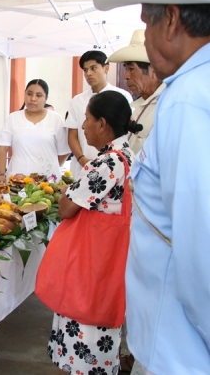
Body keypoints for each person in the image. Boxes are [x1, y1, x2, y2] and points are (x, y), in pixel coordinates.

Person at [94, 0, 210, 373]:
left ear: (172, 19)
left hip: (180, 351)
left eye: (147, 22)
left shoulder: (188, 99)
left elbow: (201, 249)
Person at [48, 91, 140, 375]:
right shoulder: (127, 154)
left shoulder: (104, 164)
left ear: (102, 124)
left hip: (91, 263)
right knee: (103, 334)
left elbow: (66, 209)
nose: (83, 126)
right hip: (110, 259)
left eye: (86, 119)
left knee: (83, 329)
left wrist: (66, 192)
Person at [65, 51, 133, 176]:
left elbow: (127, 133)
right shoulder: (77, 100)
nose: (88, 73)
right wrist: (82, 159)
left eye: (93, 68)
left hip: (113, 165)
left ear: (106, 68)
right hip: (82, 166)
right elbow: (72, 135)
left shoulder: (122, 96)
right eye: (85, 70)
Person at [0, 79, 70, 182]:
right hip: (17, 180)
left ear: (46, 98)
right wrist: (1, 174)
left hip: (48, 182)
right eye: (29, 94)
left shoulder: (56, 119)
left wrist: (49, 166)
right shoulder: (13, 118)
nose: (33, 99)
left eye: (39, 95)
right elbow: (2, 148)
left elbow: (64, 151)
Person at [108, 29, 165, 154]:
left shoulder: (166, 107)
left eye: (131, 69)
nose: (126, 76)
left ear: (153, 71)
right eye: (126, 69)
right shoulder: (135, 106)